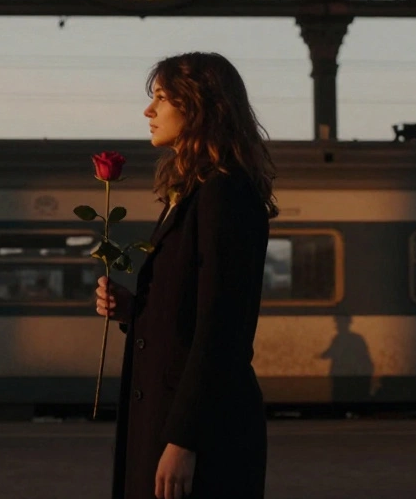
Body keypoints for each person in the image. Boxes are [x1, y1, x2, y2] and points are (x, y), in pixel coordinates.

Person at [96, 51, 277, 499]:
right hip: (172, 417)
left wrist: (184, 440)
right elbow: (189, 312)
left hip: (197, 431)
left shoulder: (224, 195)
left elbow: (223, 329)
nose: (148, 110)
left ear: (199, 106)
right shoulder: (196, 191)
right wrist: (132, 310)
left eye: (161, 97)